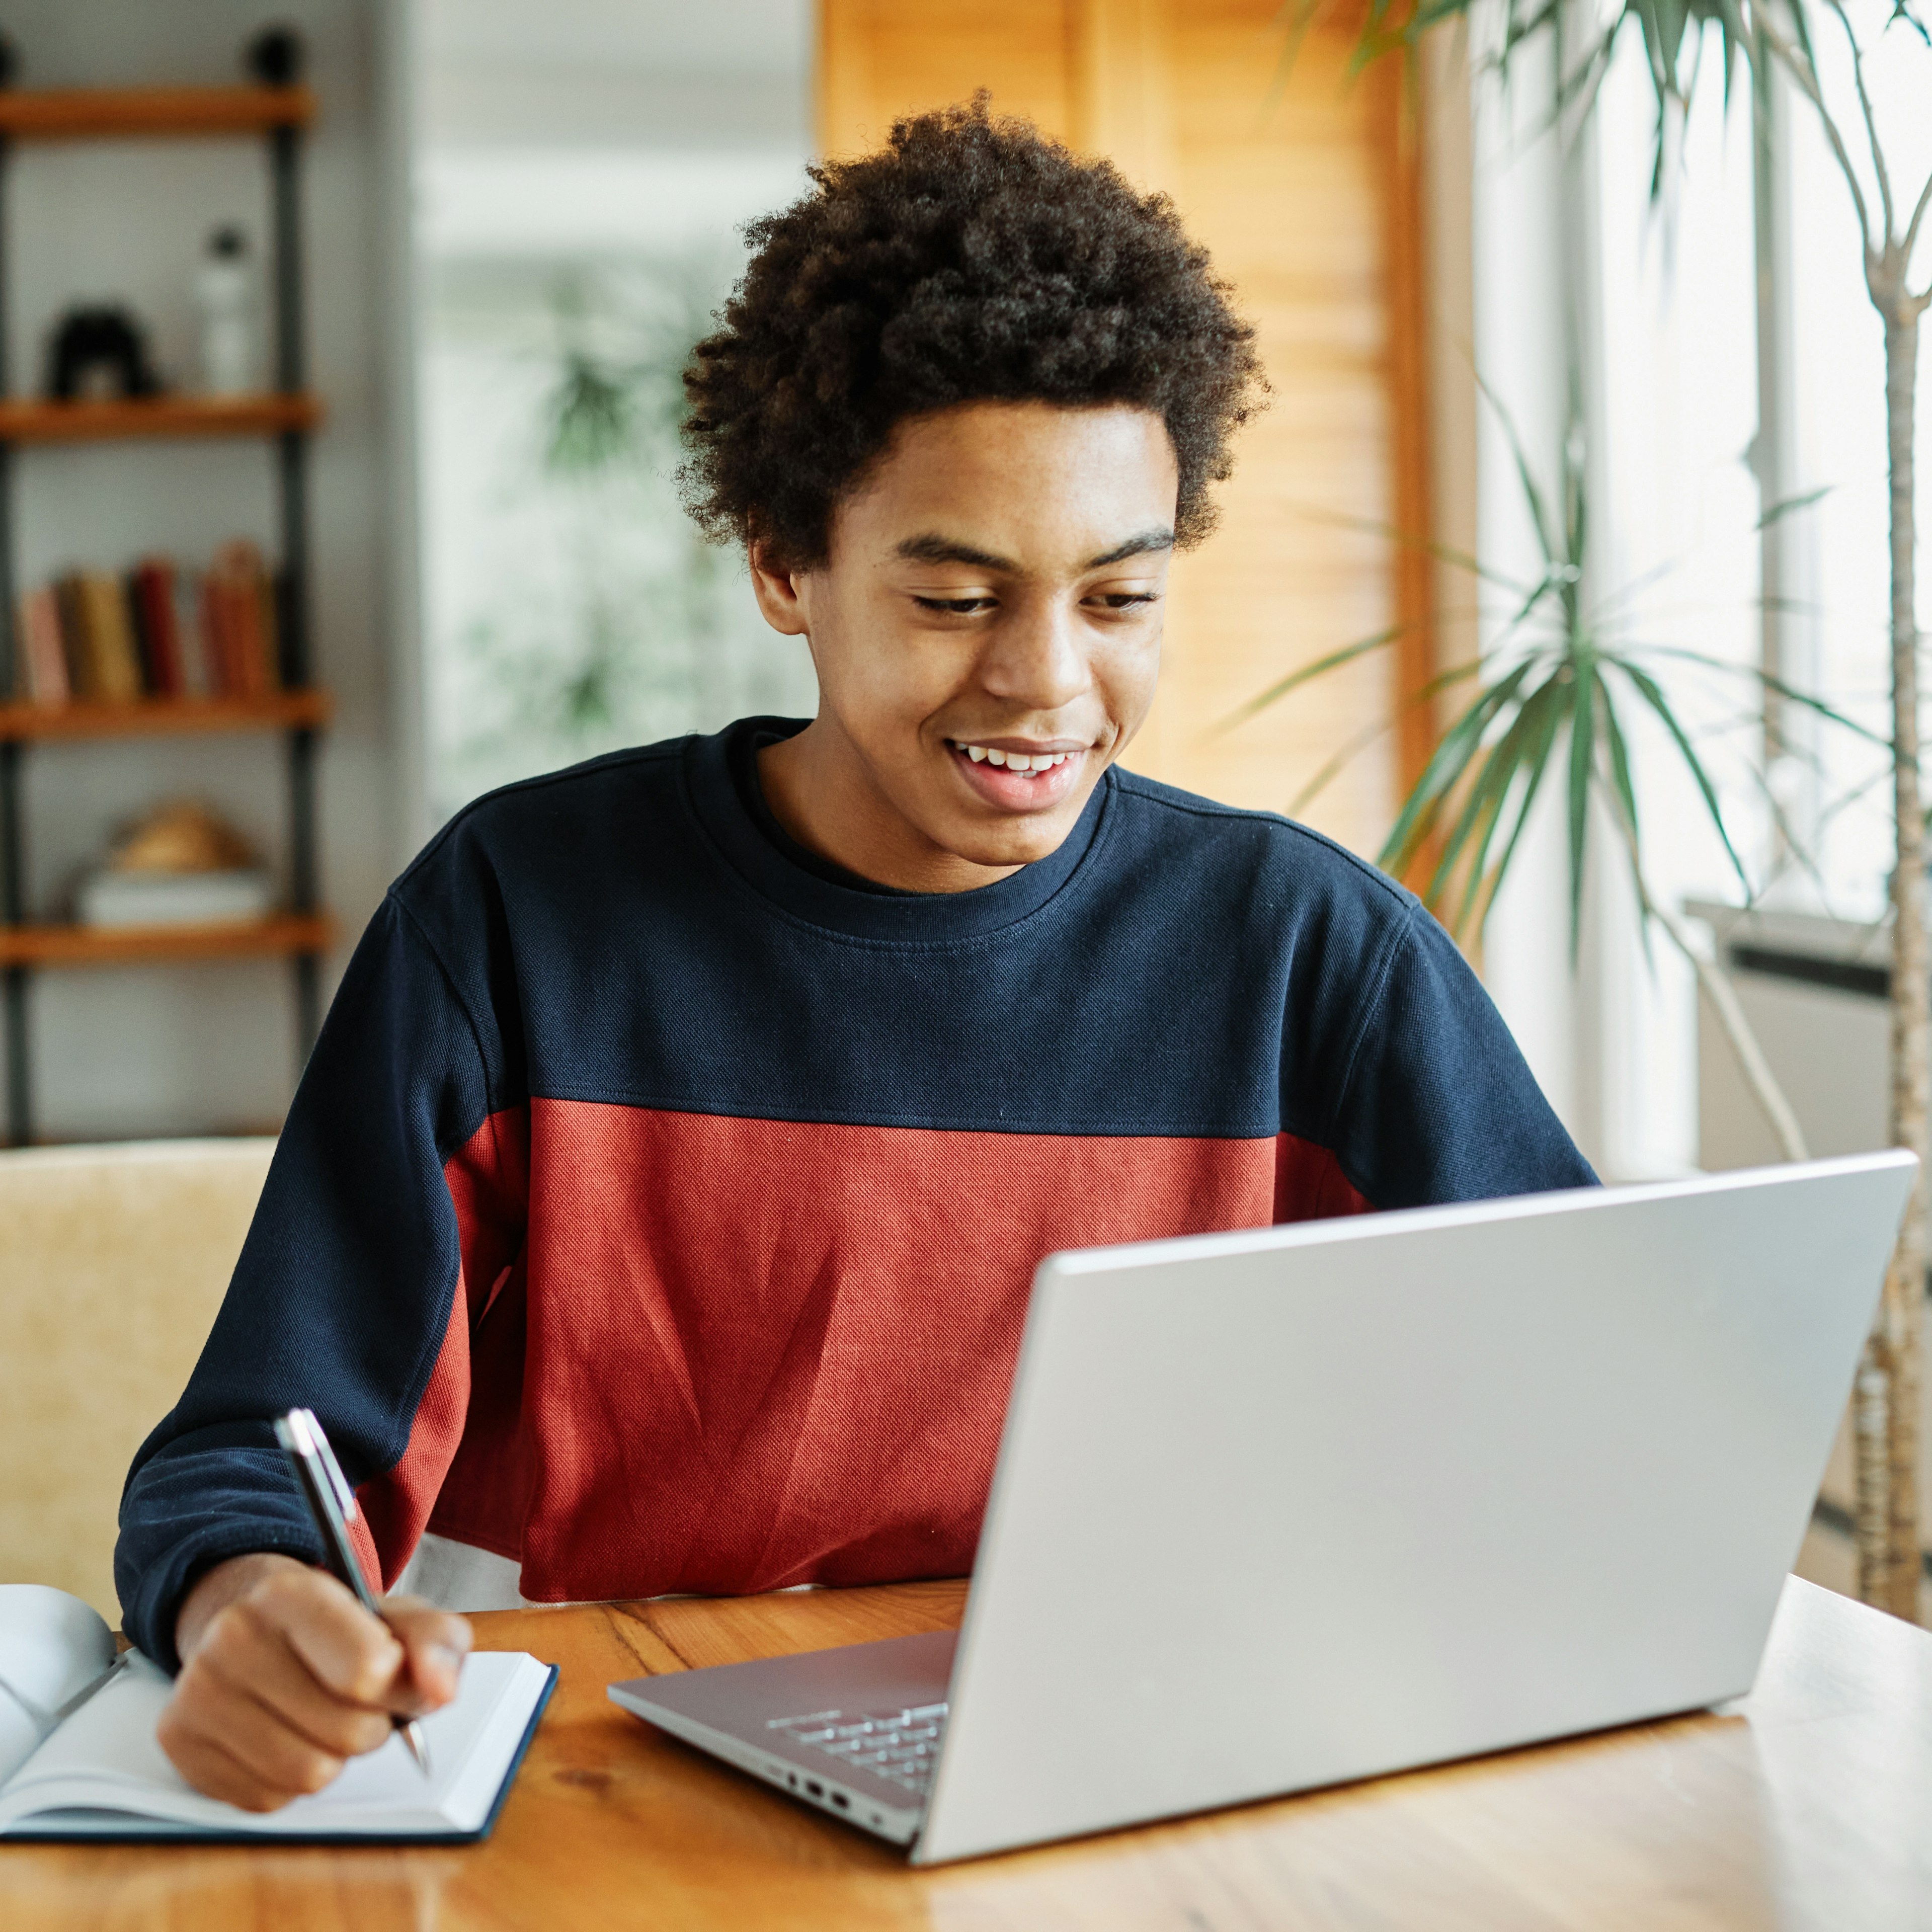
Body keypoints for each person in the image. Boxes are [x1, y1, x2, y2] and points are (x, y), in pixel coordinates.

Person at [119, 100, 1594, 1812]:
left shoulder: (1309, 955)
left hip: (1121, 1774)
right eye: (957, 598)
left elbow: (1578, 1410)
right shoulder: (518, 916)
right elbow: (252, 1456)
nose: (1048, 684)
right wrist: (254, 1606)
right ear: (782, 567)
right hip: (602, 1777)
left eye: (1119, 599)